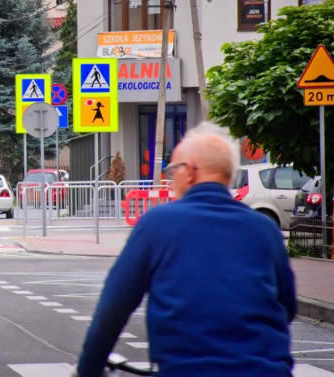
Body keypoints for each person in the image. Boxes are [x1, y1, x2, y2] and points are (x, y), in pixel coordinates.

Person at [75, 122, 296, 377]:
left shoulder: (158, 224)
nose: (170, 181)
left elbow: (113, 307)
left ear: (190, 172)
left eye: (172, 172)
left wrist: (87, 369)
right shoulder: (264, 229)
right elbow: (287, 305)